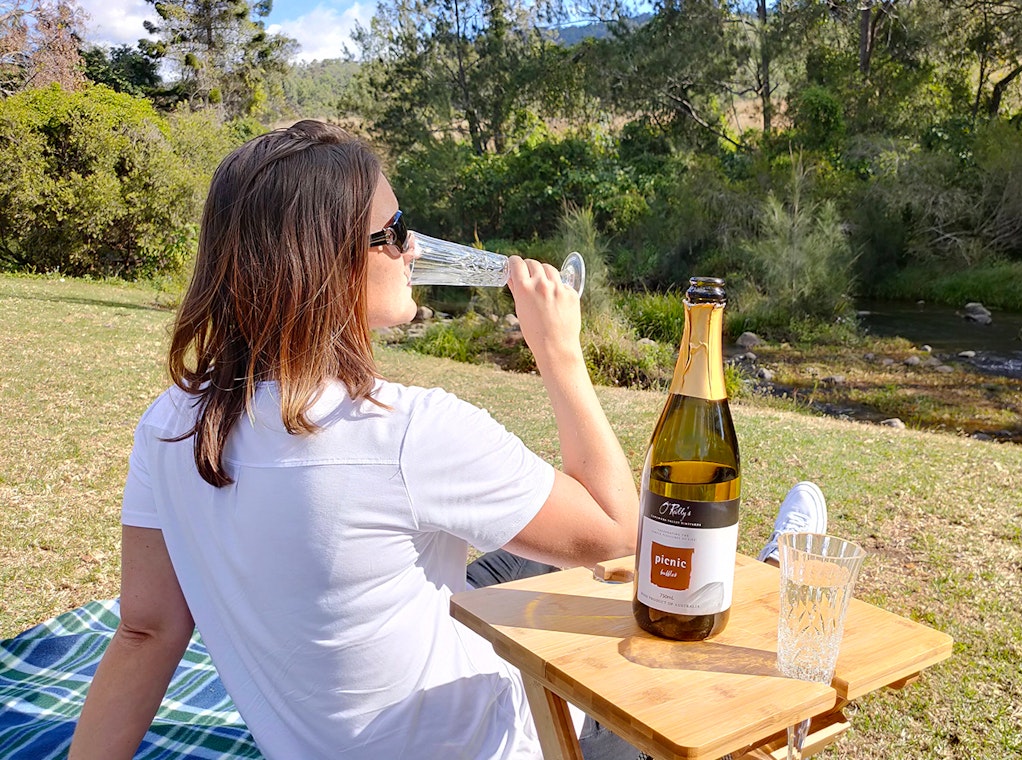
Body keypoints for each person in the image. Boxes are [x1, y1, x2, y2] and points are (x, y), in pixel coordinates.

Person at [68, 120, 640, 760]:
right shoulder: (410, 433)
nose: (414, 248)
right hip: (502, 742)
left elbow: (146, 631)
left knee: (534, 550)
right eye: (394, 232)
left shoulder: (170, 426)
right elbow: (619, 533)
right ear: (326, 259)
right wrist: (559, 352)